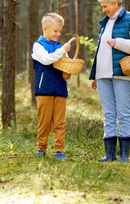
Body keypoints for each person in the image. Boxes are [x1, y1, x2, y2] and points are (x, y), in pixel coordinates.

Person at [90, 0, 130, 162]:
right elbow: (99, 51)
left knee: (123, 113)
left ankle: (124, 155)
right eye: (102, 6)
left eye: (105, 6)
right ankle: (109, 154)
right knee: (108, 113)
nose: (103, 10)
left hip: (123, 74)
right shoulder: (105, 22)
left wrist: (117, 43)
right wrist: (94, 75)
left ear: (115, 3)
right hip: (103, 74)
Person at [32, 13, 74, 161]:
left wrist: (69, 75)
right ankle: (41, 148)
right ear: (45, 28)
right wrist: (63, 50)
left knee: (59, 122)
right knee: (44, 121)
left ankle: (58, 150)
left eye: (60, 31)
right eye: (55, 31)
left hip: (60, 90)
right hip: (44, 90)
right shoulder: (38, 46)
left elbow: (68, 68)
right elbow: (46, 60)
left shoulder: (59, 46)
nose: (58, 34)